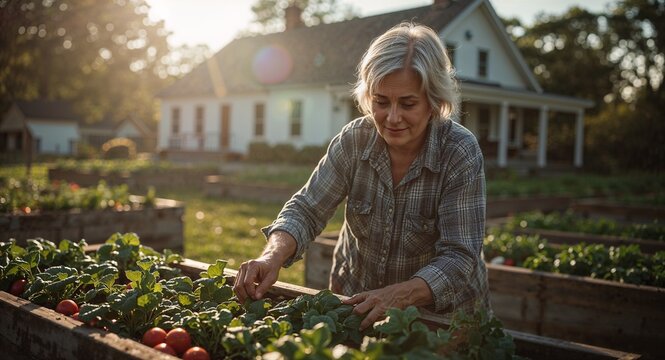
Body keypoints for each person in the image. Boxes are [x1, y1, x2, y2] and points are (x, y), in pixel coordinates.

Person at [233, 22, 490, 330]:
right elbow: (307, 208)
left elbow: (459, 257)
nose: (392, 118)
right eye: (381, 102)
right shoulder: (354, 140)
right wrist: (271, 257)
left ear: (434, 102)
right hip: (357, 305)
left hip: (440, 319)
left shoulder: (459, 151)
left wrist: (396, 296)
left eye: (408, 103)